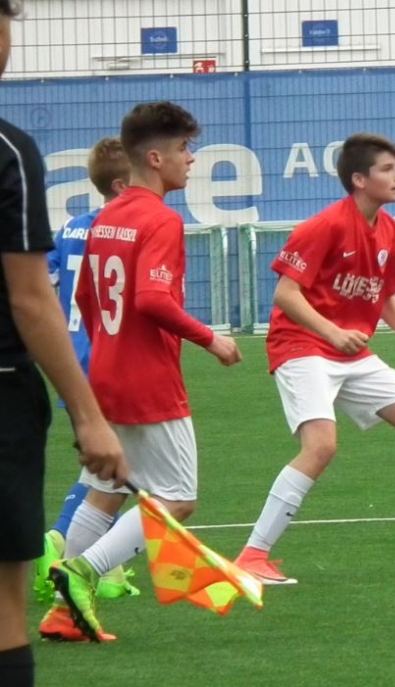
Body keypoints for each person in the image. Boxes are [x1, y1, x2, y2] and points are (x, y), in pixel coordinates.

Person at [234, 133, 395, 585]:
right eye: (387, 169)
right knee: (321, 447)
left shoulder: (391, 231)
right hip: (302, 345)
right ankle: (251, 557)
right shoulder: (324, 226)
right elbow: (285, 294)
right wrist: (333, 331)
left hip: (349, 350)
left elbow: (382, 292)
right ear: (358, 179)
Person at [43, 101, 242, 642]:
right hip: (147, 381)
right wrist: (211, 339)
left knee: (104, 490)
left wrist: (109, 346)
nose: (191, 159)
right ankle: (83, 572)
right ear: (155, 158)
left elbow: (85, 298)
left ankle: (63, 612)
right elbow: (153, 299)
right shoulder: (161, 219)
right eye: (183, 149)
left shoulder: (105, 218)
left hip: (104, 373)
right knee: (177, 498)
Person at [0, 1, 128, 682]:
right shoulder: (9, 150)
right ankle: (80, 563)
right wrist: (87, 413)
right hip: (32, 375)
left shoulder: (81, 226)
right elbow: (31, 295)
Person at [33, 137, 140, 609]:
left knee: (106, 466)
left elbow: (46, 280)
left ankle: (106, 572)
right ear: (122, 184)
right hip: (109, 356)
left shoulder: (72, 226)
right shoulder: (123, 229)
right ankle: (59, 543)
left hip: (70, 358)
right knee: (122, 471)